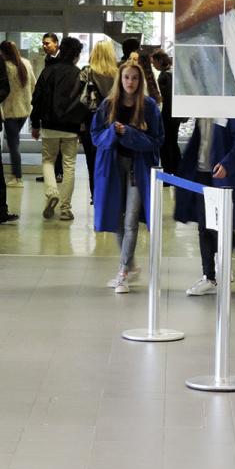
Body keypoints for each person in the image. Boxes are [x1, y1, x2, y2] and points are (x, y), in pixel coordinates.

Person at [91, 62, 163, 293]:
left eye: (134, 78)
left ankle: (122, 270)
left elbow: (156, 140)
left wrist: (128, 133)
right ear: (120, 80)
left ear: (140, 81)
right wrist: (113, 132)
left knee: (131, 220)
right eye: (126, 78)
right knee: (116, 217)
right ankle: (130, 264)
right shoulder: (108, 105)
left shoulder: (149, 107)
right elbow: (96, 136)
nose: (130, 82)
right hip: (113, 168)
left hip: (138, 170)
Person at [174, 118, 235, 294]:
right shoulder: (202, 113)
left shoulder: (227, 111)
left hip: (219, 177)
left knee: (218, 226)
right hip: (201, 174)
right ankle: (209, 277)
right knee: (204, 226)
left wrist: (227, 164)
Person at [30, 35, 83, 221]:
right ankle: (66, 209)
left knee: (48, 161)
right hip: (71, 127)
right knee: (69, 166)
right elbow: (82, 103)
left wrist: (35, 123)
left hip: (49, 125)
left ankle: (52, 192)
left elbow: (36, 99)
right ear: (76, 54)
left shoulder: (48, 71)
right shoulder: (79, 74)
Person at [78, 40, 118, 201]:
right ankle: (111, 193)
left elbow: (80, 100)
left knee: (92, 159)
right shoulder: (119, 73)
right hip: (113, 120)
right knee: (111, 158)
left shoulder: (86, 72)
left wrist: (80, 125)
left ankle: (96, 194)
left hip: (91, 120)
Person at [0, 40, 36, 188]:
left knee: (13, 144)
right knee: (14, 141)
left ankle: (17, 176)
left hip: (10, 110)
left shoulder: (6, 67)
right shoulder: (26, 63)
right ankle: (16, 174)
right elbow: (33, 84)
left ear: (3, 53)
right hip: (25, 110)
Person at [37, 32, 63, 182]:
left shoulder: (61, 61)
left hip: (58, 109)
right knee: (50, 145)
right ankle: (51, 172)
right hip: (48, 109)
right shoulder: (48, 60)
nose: (45, 46)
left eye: (47, 43)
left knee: (58, 144)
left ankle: (58, 173)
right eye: (44, 43)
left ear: (56, 43)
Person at [151, 49, 182, 174]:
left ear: (159, 61)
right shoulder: (173, 72)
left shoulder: (164, 76)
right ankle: (177, 170)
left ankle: (168, 171)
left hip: (167, 116)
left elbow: (165, 99)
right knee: (173, 143)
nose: (153, 65)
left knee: (166, 144)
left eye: (154, 63)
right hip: (175, 115)